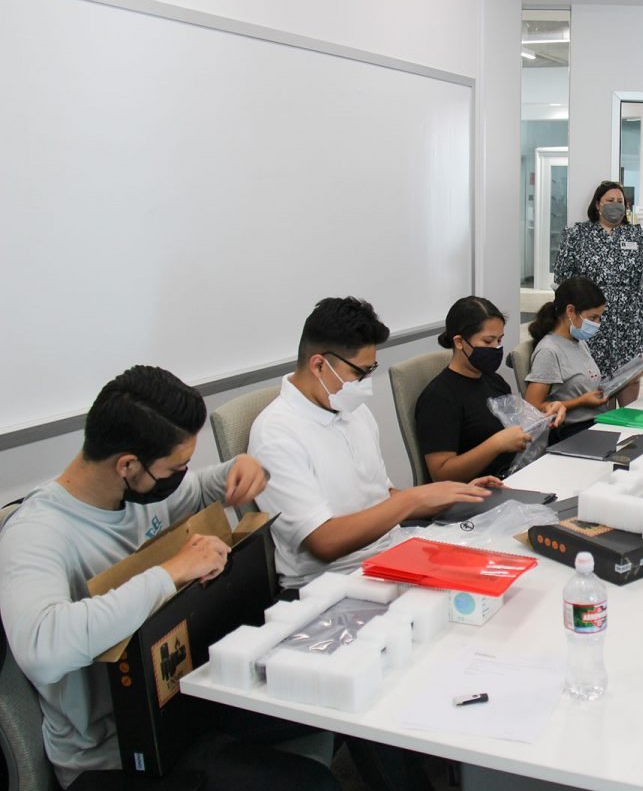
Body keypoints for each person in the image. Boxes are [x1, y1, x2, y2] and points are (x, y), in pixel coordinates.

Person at [0, 366, 336, 791]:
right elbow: (42, 648)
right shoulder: (37, 534)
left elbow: (193, 490)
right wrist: (169, 573)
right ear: (127, 464)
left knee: (341, 703)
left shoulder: (137, 491)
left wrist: (237, 469)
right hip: (116, 753)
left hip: (183, 704)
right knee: (311, 784)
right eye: (175, 466)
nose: (180, 475)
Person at [249, 297, 496, 591]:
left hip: (391, 556)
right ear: (318, 365)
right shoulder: (276, 435)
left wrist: (450, 496)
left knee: (495, 575)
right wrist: (412, 500)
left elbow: (382, 497)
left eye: (371, 369)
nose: (366, 384)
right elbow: (324, 542)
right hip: (331, 585)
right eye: (359, 373)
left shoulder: (352, 410)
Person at [416, 296, 565, 482]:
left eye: (499, 340)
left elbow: (517, 423)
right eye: (488, 342)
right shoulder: (440, 397)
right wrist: (496, 444)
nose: (496, 348)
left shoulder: (494, 381)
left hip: (513, 476)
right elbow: (441, 474)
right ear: (460, 342)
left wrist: (545, 413)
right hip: (473, 493)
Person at [554, 181, 643, 405]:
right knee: (594, 371)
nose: (615, 205)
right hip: (591, 317)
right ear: (598, 204)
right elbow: (562, 275)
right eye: (610, 200)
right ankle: (602, 424)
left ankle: (627, 422)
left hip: (631, 317)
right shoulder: (577, 234)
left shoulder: (638, 236)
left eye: (620, 201)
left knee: (630, 371)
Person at [524, 276, 614, 444]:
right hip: (572, 431)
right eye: (592, 318)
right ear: (570, 311)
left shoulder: (578, 341)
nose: (597, 324)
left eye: (599, 318)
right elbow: (532, 406)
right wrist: (581, 402)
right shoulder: (549, 351)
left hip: (595, 423)